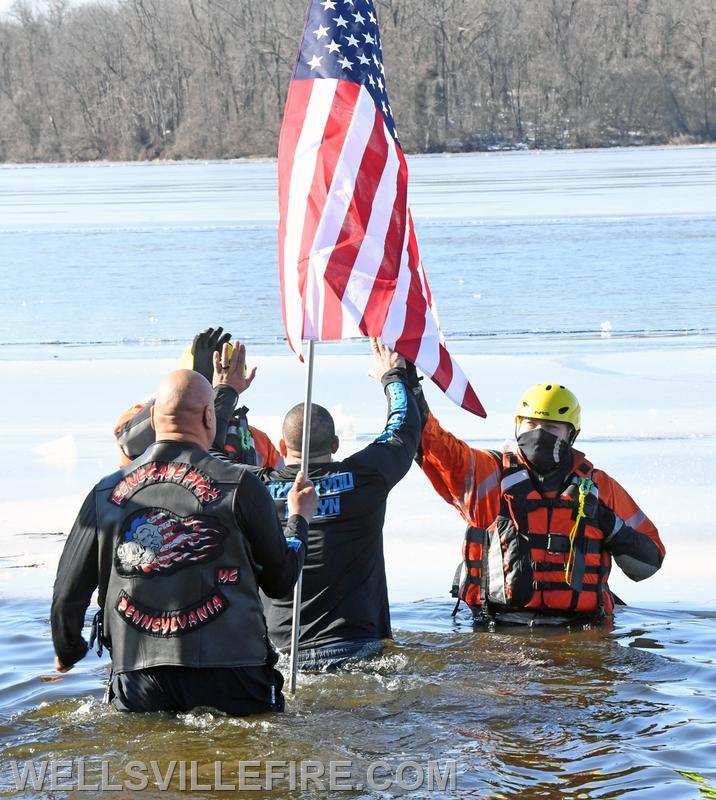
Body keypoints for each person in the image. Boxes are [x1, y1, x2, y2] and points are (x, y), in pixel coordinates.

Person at [51, 362, 318, 715]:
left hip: (140, 680)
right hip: (235, 674)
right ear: (210, 416)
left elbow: (67, 593)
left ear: (155, 420)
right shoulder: (240, 485)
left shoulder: (104, 492)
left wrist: (68, 651)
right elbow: (281, 580)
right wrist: (299, 519)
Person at [409, 378, 665, 624]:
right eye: (531, 424)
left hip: (580, 627)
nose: (540, 433)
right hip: (498, 625)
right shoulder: (489, 475)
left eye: (552, 427)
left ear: (571, 434)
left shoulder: (600, 487)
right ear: (518, 425)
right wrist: (407, 384)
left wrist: (606, 521)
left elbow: (649, 563)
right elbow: (436, 446)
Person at [258, 339, 420, 669]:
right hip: (358, 648)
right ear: (335, 443)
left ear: (279, 445)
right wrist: (392, 376)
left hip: (280, 654)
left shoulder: (255, 490)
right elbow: (403, 427)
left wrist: (223, 391)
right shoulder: (366, 478)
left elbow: (206, 455)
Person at [114, 327, 282, 469]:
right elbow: (128, 441)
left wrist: (202, 388)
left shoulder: (258, 441)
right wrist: (208, 389)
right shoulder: (259, 442)